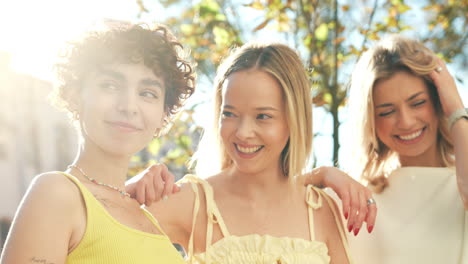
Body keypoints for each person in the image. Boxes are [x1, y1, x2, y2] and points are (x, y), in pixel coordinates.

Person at [129, 42, 357, 263]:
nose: (243, 132)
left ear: (294, 120)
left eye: (263, 116)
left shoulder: (320, 210)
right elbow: (99, 234)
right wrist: (128, 192)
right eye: (229, 114)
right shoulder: (192, 201)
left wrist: (323, 173)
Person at [0, 21, 195, 264]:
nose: (128, 106)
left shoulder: (147, 214)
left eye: (147, 93)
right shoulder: (57, 193)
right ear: (74, 95)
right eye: (110, 85)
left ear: (163, 115)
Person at [343, 35, 468, 263]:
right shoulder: (359, 201)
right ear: (371, 120)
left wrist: (457, 112)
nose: (406, 122)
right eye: (387, 111)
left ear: (438, 100)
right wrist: (321, 175)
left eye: (418, 102)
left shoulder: (461, 184)